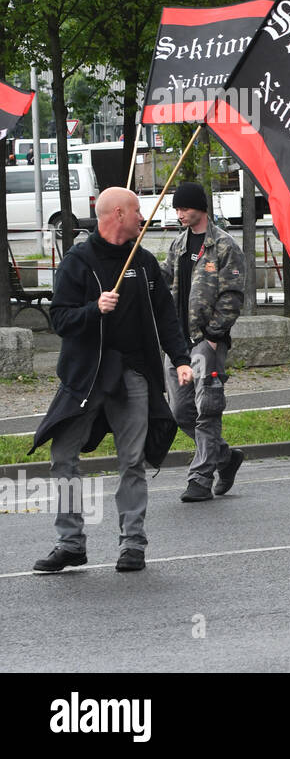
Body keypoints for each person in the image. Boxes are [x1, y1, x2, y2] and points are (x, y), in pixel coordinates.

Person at [31, 188, 194, 573]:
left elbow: (166, 316)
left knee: (132, 460)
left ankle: (132, 543)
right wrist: (94, 308)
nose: (144, 217)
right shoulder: (78, 262)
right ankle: (70, 543)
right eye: (138, 210)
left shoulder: (144, 262)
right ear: (117, 214)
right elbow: (60, 320)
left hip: (133, 374)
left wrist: (182, 359)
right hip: (86, 378)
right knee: (62, 455)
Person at [161, 182, 247, 502]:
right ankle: (225, 458)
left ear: (200, 207)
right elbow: (165, 283)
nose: (179, 213)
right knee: (180, 410)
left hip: (205, 341)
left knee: (206, 409)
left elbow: (232, 295)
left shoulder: (223, 245)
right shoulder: (177, 244)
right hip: (178, 344)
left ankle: (200, 478)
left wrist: (213, 337)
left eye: (184, 208)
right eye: (177, 208)